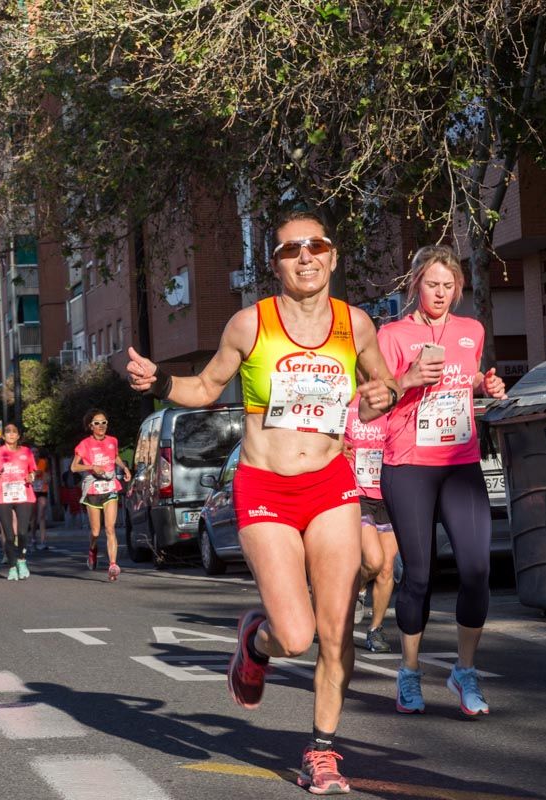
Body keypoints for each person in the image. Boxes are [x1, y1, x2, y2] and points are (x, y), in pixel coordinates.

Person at [126, 208, 397, 794]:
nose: (305, 256)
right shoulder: (251, 324)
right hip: (265, 485)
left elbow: (382, 388)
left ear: (333, 255)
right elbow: (205, 387)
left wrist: (382, 393)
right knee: (296, 636)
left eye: (315, 246)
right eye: (290, 249)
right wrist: (161, 384)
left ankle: (322, 751)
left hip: (330, 484)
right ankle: (256, 640)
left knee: (335, 631)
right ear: (274, 265)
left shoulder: (358, 324)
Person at [376, 244, 507, 717]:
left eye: (449, 286)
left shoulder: (470, 330)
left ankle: (464, 671)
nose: (441, 293)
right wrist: (408, 377)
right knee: (420, 576)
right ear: (415, 285)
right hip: (409, 465)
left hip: (460, 461)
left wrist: (485, 386)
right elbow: (374, 399)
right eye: (432, 284)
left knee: (476, 570)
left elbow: (466, 379)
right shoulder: (391, 335)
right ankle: (409, 673)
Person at [343, 396, 397, 653]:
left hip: (388, 492)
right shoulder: (349, 403)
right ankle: (360, 587)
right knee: (374, 560)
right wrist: (337, 446)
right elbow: (328, 436)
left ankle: (375, 630)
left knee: (387, 569)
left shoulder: (394, 402)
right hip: (357, 492)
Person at [71, 410, 132, 579]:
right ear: (91, 426)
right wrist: (91, 467)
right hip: (93, 490)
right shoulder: (84, 444)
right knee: (96, 532)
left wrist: (125, 468)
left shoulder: (113, 441)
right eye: (97, 423)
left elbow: (116, 457)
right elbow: (74, 467)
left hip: (110, 487)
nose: (101, 426)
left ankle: (113, 565)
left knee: (110, 528)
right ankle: (92, 548)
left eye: (104, 422)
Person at [0, 422, 38, 581]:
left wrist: (30, 477)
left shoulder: (26, 452)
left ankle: (22, 560)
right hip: (3, 496)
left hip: (24, 495)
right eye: (8, 432)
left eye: (14, 432)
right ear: (3, 435)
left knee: (22, 532)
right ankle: (12, 567)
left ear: (18, 436)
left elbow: (33, 473)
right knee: (9, 535)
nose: (11, 435)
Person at [30, 455, 51, 551]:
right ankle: (33, 539)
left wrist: (46, 477)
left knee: (41, 515)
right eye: (33, 452)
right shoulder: (28, 462)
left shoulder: (43, 462)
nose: (35, 454)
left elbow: (46, 475)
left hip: (42, 490)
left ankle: (43, 541)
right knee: (33, 517)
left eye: (36, 452)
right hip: (32, 491)